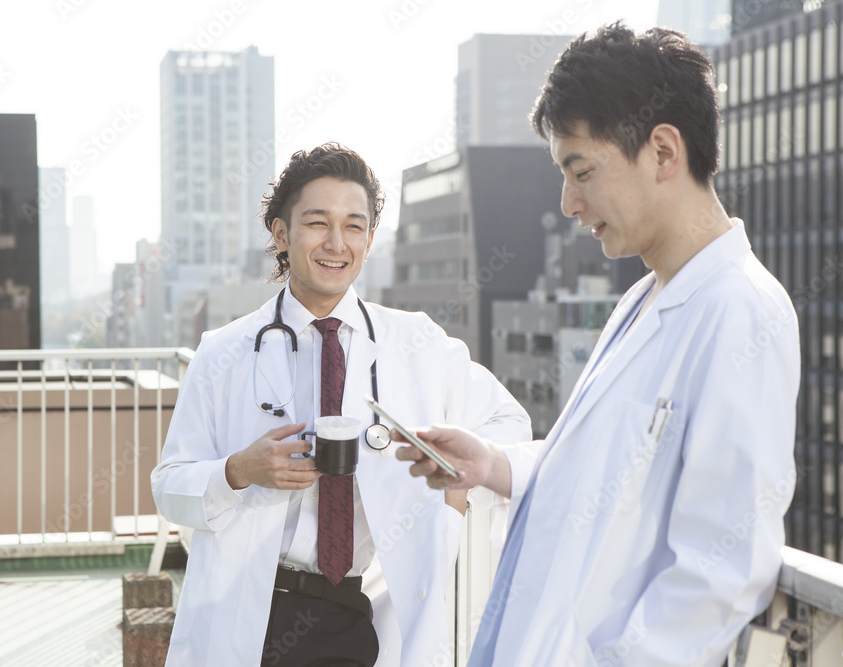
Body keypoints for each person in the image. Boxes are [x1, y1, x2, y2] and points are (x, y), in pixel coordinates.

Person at [396, 23, 801, 666]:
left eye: (581, 171)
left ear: (663, 152)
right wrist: (495, 466)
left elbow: (723, 567)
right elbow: (609, 472)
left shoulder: (740, 312)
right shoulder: (642, 300)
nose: (569, 202)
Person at [151, 142, 531, 666]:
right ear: (281, 234)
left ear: (371, 240)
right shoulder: (224, 351)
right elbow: (169, 487)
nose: (336, 243)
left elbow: (508, 423)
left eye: (354, 225)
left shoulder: (415, 342)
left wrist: (455, 490)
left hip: (361, 613)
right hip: (252, 612)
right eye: (317, 223)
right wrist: (238, 471)